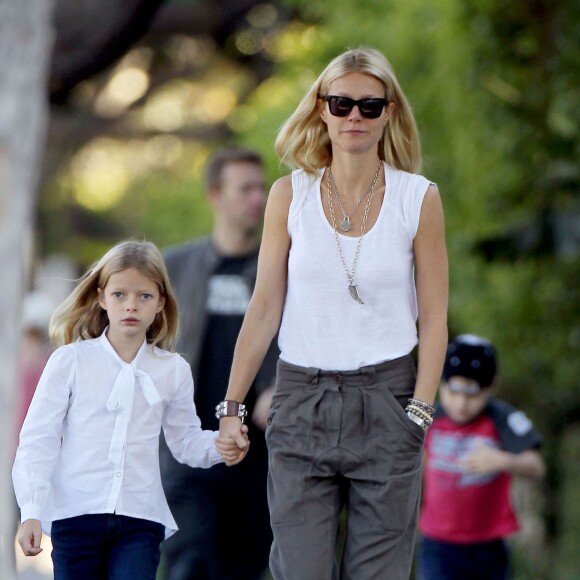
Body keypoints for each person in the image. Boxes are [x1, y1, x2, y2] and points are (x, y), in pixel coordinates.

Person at [218, 47, 449, 580]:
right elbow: (264, 308)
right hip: (302, 400)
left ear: (388, 112)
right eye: (342, 103)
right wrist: (231, 406)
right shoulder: (288, 196)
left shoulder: (419, 199)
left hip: (390, 400)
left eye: (370, 106)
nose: (354, 117)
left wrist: (419, 410)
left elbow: (434, 319)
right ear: (321, 108)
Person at [12, 240, 243, 580]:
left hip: (139, 521)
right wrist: (30, 510)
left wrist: (222, 445)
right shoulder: (70, 361)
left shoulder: (173, 370)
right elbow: (38, 440)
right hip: (75, 517)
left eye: (144, 296)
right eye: (120, 294)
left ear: (160, 302)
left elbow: (185, 442)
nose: (131, 305)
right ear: (103, 297)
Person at [159, 148, 278, 580]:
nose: (258, 198)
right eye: (245, 188)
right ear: (215, 195)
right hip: (188, 451)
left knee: (246, 567)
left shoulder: (281, 270)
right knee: (190, 561)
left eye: (260, 187)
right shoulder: (173, 268)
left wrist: (277, 387)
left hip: (258, 455)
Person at [417, 334, 546, 580]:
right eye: (453, 392)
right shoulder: (430, 417)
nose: (461, 403)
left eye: (472, 395)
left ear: (491, 388)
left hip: (488, 544)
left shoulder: (501, 418)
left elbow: (536, 466)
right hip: (438, 543)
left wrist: (503, 460)